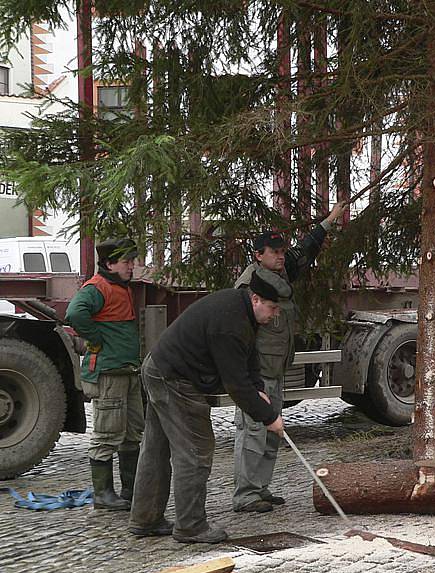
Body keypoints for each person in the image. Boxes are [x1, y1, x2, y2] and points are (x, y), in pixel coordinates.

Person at [128, 271, 287, 543]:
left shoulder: (243, 311)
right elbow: (235, 383)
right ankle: (191, 525)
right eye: (272, 308)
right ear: (256, 299)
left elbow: (248, 358)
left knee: (156, 448)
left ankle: (146, 519)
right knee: (196, 449)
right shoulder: (231, 323)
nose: (275, 315)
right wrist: (269, 417)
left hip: (160, 368)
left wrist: (259, 389)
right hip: (174, 377)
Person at [232, 200, 347, 512]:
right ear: (258, 255)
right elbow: (240, 333)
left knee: (271, 434)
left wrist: (331, 219)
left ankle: (261, 488)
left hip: (276, 370)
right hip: (257, 373)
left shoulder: (280, 276)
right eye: (274, 252)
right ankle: (245, 494)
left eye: (282, 251)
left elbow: (305, 249)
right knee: (253, 432)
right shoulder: (249, 285)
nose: (281, 256)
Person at [65, 238, 143, 511]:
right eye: (127, 262)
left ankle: (130, 491)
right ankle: (103, 494)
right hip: (110, 373)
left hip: (127, 371)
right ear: (110, 264)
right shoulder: (98, 287)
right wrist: (96, 338)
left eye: (132, 261)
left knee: (133, 433)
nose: (132, 266)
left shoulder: (120, 287)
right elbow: (74, 313)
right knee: (107, 434)